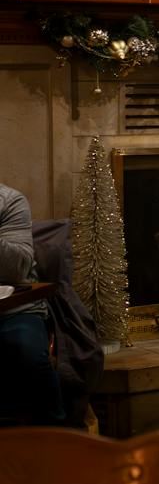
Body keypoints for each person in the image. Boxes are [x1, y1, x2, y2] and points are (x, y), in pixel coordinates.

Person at [0, 182, 66, 424]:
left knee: (27, 352)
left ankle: (54, 434)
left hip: (13, 309)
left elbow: (16, 270)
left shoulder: (9, 200)